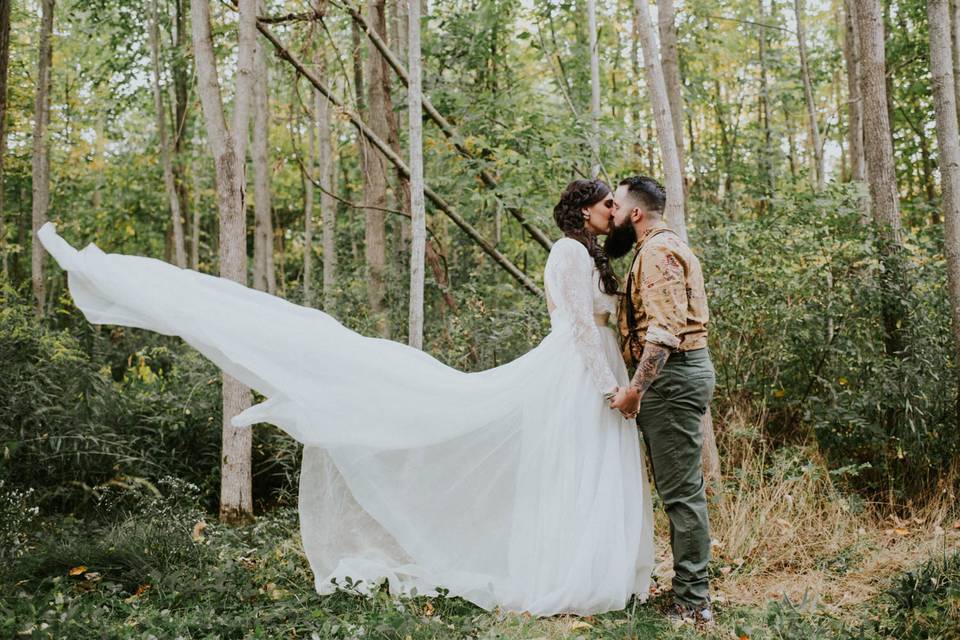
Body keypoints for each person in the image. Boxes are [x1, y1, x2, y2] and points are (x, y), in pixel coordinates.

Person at [36, 178, 654, 617]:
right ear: (583, 211)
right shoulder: (570, 251)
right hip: (581, 372)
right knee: (573, 469)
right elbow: (575, 326)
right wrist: (608, 385)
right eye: (606, 204)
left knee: (583, 471)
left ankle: (592, 570)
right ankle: (570, 576)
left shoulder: (590, 252)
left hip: (597, 367)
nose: (612, 212)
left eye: (616, 206)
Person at [605, 176, 716, 625]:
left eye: (616, 207)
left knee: (682, 493)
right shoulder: (654, 248)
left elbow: (665, 330)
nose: (610, 213)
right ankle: (690, 593)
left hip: (671, 379)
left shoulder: (656, 252)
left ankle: (693, 603)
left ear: (635, 214)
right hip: (674, 379)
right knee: (679, 490)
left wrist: (636, 388)